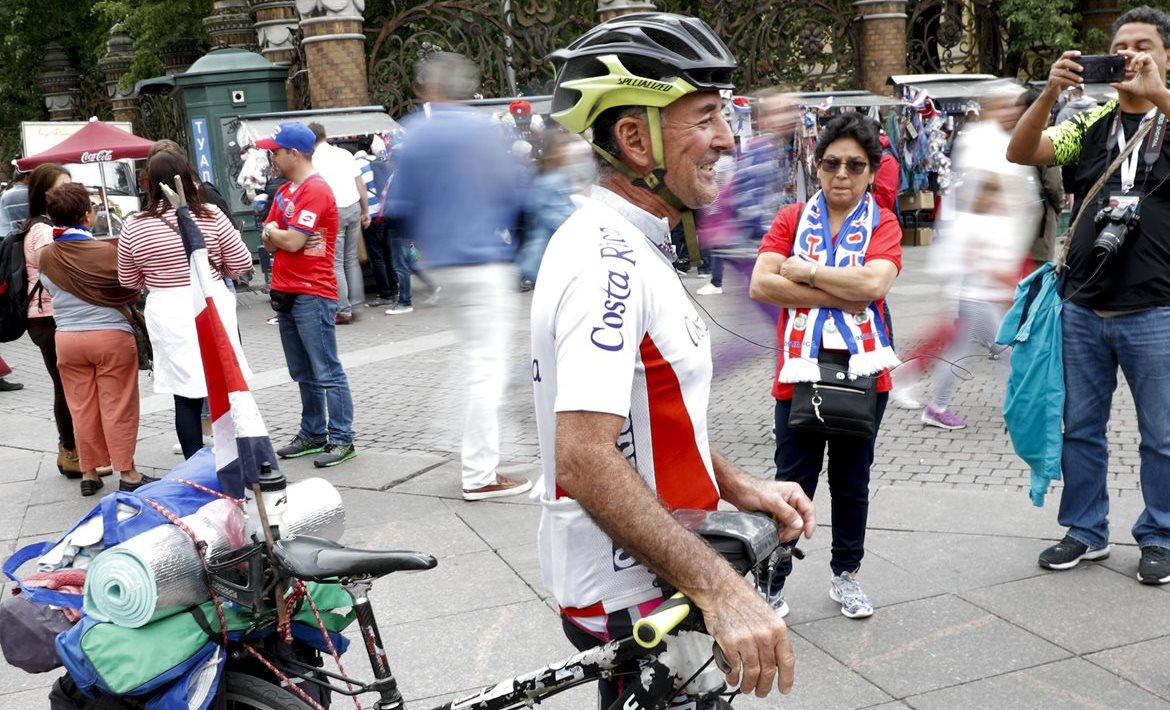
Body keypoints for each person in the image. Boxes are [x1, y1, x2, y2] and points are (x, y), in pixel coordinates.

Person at [533, 14, 817, 704]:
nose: (727, 138)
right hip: (638, 590)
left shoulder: (634, 243)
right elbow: (585, 455)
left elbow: (646, 410)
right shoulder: (606, 262)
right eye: (706, 118)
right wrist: (721, 590)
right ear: (634, 139)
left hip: (660, 571)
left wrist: (736, 484)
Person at [1006, 5, 1170, 585]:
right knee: (1079, 426)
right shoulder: (1092, 122)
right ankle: (1084, 529)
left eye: (1144, 45)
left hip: (1156, 308)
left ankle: (1161, 534)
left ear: (1166, 56)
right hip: (1082, 306)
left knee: (1163, 433)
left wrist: (1161, 93)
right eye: (1122, 45)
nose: (1130, 54)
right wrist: (1050, 92)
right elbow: (1022, 153)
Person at [749, 112, 902, 619]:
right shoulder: (791, 218)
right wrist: (842, 290)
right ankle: (772, 580)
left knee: (852, 482)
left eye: (855, 166)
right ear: (817, 166)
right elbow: (761, 284)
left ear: (870, 172)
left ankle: (846, 575)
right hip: (798, 372)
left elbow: (875, 286)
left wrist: (810, 272)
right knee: (792, 482)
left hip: (864, 375)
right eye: (832, 163)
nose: (842, 174)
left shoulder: (883, 221)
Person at [384, 51, 528, 500]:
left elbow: (397, 213)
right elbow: (517, 197)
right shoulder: (482, 131)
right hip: (484, 259)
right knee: (488, 367)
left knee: (475, 361)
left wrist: (422, 258)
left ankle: (466, 441)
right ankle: (479, 471)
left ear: (429, 89)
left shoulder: (417, 132)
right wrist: (518, 249)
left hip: (446, 261)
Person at [117, 151, 254, 459]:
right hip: (209, 299)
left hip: (167, 308)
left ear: (149, 184)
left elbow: (128, 280)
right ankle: (240, 455)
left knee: (185, 394)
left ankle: (195, 466)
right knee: (227, 384)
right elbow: (242, 261)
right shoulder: (209, 215)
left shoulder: (135, 226)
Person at [919, 84, 1040, 430]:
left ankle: (937, 407)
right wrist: (999, 276)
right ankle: (1021, 410)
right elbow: (972, 256)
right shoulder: (974, 208)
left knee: (970, 349)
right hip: (975, 294)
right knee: (1006, 351)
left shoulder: (984, 207)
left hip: (978, 293)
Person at [36, 183, 155, 496]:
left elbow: (50, 290)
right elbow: (129, 288)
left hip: (67, 339)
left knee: (81, 407)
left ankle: (89, 472)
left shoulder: (45, 255)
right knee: (118, 406)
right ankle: (127, 472)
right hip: (110, 336)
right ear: (86, 216)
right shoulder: (106, 252)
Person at [257, 122, 357, 468]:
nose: (272, 156)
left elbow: (292, 241)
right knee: (302, 370)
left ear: (293, 153)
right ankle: (313, 433)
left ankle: (342, 438)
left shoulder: (315, 190)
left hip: (312, 291)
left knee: (326, 369)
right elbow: (268, 238)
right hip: (287, 289)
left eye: (276, 151)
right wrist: (277, 233)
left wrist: (277, 233)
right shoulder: (285, 191)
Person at [22, 162, 85, 476]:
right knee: (65, 386)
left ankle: (70, 450)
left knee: (65, 385)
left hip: (45, 316)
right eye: (61, 186)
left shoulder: (37, 224)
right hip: (49, 316)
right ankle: (71, 451)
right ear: (44, 194)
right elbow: (55, 271)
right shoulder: (44, 229)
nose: (68, 190)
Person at [308, 122, 366, 324]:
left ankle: (343, 309)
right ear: (325, 135)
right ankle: (357, 304)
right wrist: (365, 211)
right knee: (351, 260)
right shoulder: (344, 154)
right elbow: (361, 184)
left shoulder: (313, 160)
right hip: (353, 207)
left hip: (331, 213)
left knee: (335, 262)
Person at [516, 128, 589, 290]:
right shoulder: (548, 183)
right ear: (550, 153)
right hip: (549, 258)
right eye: (561, 146)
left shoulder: (562, 178)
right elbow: (557, 219)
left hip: (558, 258)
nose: (566, 150)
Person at [354, 138, 397, 307]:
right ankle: (394, 289)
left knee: (376, 256)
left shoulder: (355, 165)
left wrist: (363, 212)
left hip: (370, 214)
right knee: (388, 253)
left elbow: (359, 188)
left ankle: (385, 294)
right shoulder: (377, 161)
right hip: (385, 211)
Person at [1, 166, 29, 236]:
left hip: (9, 237)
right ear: (26, 177)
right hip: (31, 236)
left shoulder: (5, 195)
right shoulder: (33, 193)